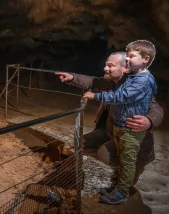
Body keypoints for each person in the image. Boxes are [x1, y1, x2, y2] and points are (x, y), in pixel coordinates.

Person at [55, 44, 163, 204]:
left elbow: (156, 108)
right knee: (80, 142)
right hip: (112, 131)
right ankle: (73, 174)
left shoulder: (137, 84)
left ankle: (121, 184)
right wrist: (72, 77)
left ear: (125, 68)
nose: (105, 68)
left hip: (134, 139)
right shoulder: (115, 81)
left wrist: (149, 120)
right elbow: (93, 81)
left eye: (110, 66)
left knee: (114, 158)